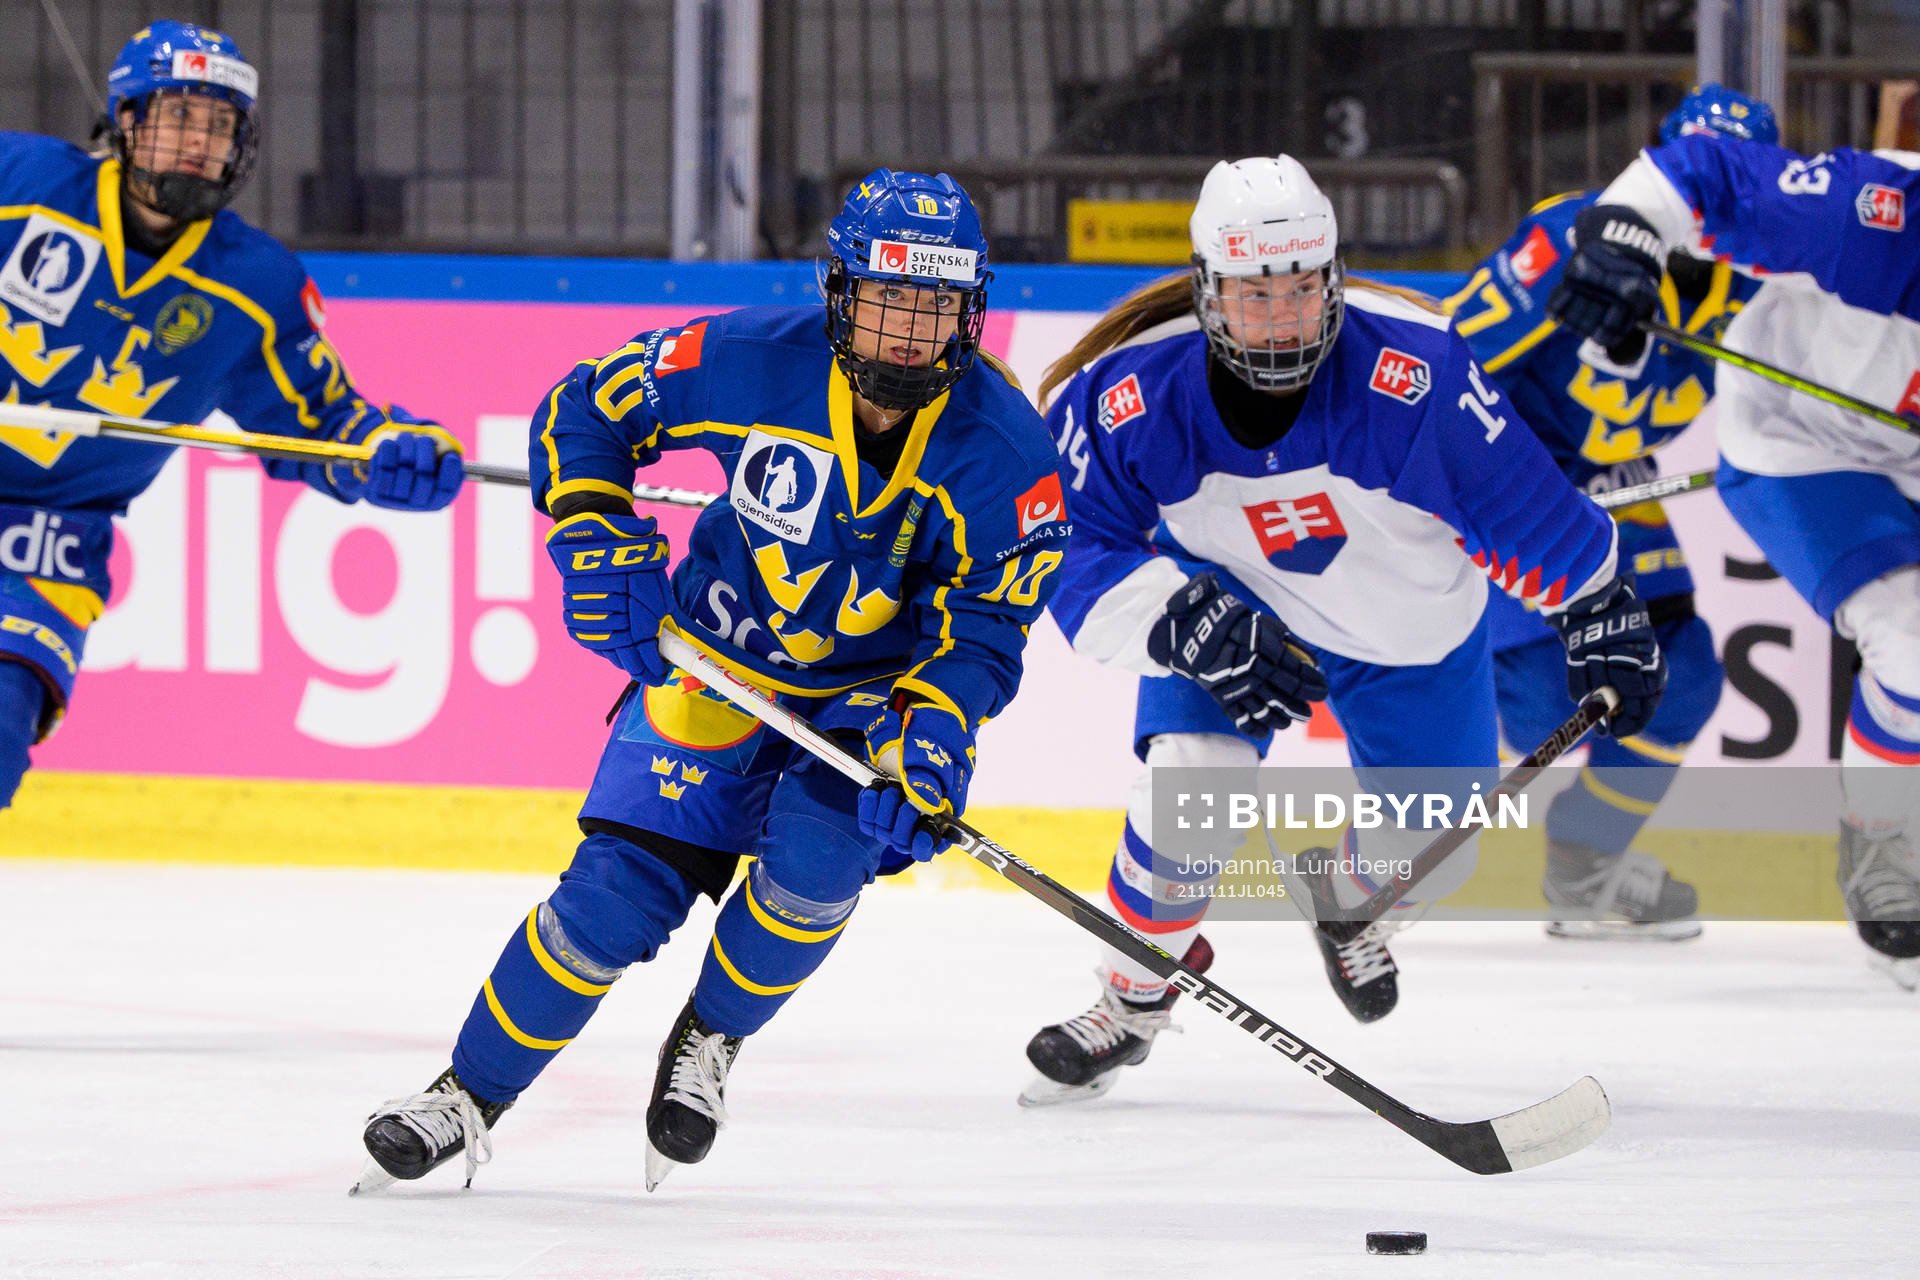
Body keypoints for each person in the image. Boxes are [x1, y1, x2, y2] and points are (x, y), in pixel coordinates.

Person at [355, 169, 1067, 1191]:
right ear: (839, 292)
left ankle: (712, 1035)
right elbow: (582, 411)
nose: (911, 328)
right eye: (887, 297)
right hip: (714, 662)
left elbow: (986, 627)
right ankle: (465, 1094)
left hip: (866, 702)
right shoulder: (743, 361)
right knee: (608, 901)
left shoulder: (1010, 456)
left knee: (820, 865)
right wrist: (595, 534)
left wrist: (936, 731)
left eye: (937, 304)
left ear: (972, 308)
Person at [1018, 154, 1668, 1105]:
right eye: (1252, 294)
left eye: (1300, 291)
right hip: (1231, 607)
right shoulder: (1133, 388)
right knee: (1191, 792)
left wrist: (1602, 606)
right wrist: (1177, 622)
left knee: (1438, 853)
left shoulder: (1421, 372)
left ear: (1331, 278)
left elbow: (1525, 508)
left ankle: (1350, 897)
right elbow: (1066, 543)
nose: (1281, 319)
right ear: (1208, 290)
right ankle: (1132, 994)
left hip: (1407, 628)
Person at [0, 21, 465, 808]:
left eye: (220, 125)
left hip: (44, 549)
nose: (199, 141)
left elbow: (321, 423)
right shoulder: (19, 182)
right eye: (181, 115)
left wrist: (388, 448)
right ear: (127, 121)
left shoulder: (255, 285)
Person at [1547, 122, 1920, 981]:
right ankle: (1880, 843)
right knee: (1906, 637)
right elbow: (1704, 167)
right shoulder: (1872, 218)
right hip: (1808, 443)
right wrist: (1626, 235)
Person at [1442, 85, 1774, 940]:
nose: (1709, 204)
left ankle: (1586, 857)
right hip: (1509, 471)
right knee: (1544, 701)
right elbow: (1447, 367)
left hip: (1615, 475)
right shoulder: (1568, 240)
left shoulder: (1765, 283)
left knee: (1684, 672)